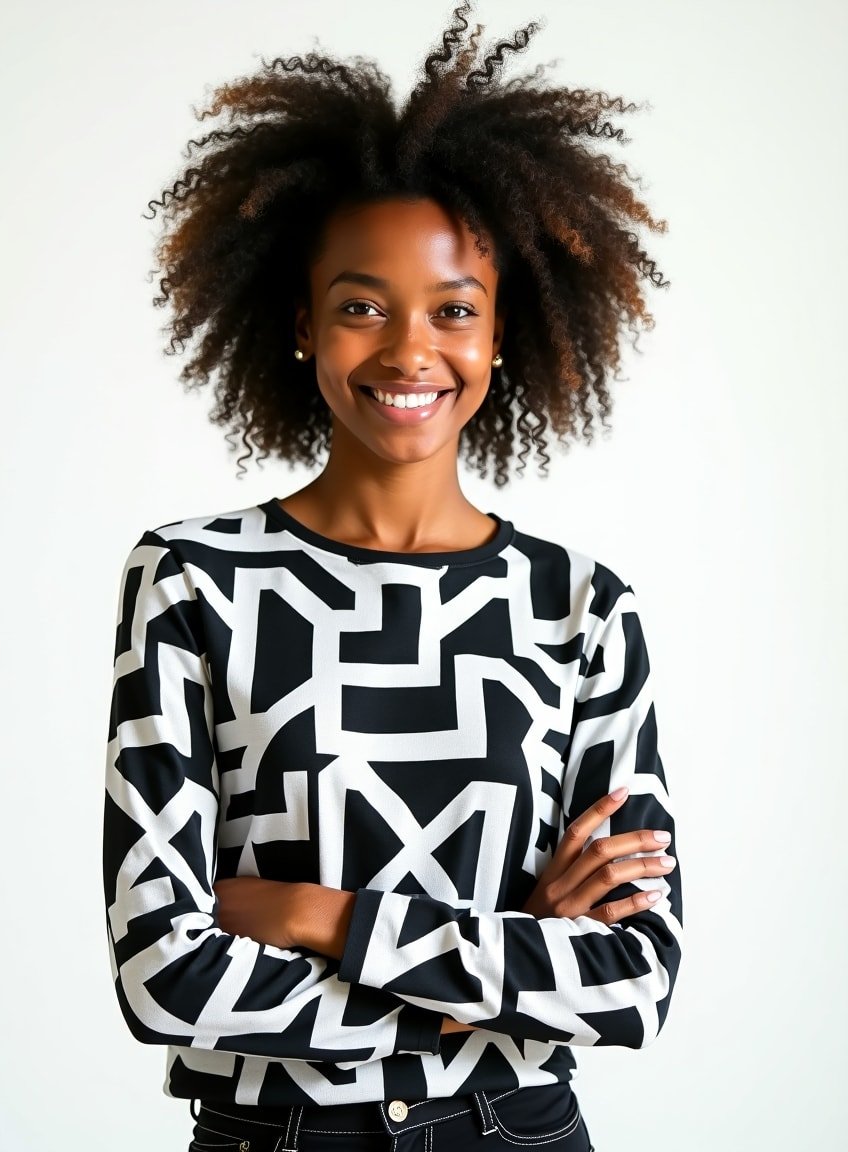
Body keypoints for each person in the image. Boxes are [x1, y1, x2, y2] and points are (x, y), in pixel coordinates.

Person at [102, 3, 682, 1149]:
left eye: (453, 311)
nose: (409, 351)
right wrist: (502, 953)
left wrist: (315, 913)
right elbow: (163, 971)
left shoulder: (579, 609)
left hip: (516, 1130)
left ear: (503, 333)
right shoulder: (193, 583)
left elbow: (629, 983)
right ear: (304, 328)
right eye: (361, 306)